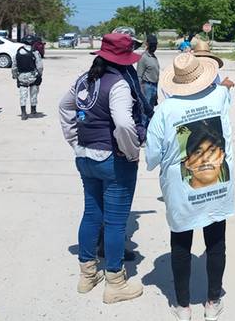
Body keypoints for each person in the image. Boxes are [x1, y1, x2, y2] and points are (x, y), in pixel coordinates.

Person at [146, 53, 235, 321]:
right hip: (218, 183)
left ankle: (183, 307)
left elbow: (151, 157)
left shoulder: (164, 110)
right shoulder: (220, 97)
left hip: (182, 189)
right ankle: (212, 301)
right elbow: (226, 89)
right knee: (216, 242)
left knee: (181, 244)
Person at [59, 32, 146, 304]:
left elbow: (64, 108)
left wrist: (75, 140)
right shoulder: (118, 84)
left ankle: (87, 276)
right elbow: (123, 123)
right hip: (112, 159)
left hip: (85, 157)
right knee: (116, 222)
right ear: (122, 60)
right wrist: (131, 152)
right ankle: (115, 282)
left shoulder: (84, 80)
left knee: (92, 213)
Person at [12, 43, 43, 120]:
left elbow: (14, 66)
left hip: (22, 76)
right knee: (34, 93)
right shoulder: (35, 52)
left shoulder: (18, 52)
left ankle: (23, 113)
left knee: (23, 94)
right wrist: (40, 75)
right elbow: (39, 66)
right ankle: (33, 110)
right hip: (33, 75)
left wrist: (15, 76)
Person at [137, 34, 160, 127]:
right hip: (146, 87)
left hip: (154, 86)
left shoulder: (153, 57)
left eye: (155, 45)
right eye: (152, 45)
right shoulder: (143, 58)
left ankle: (148, 130)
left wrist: (157, 93)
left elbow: (156, 74)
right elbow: (139, 76)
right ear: (147, 44)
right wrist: (140, 94)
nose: (154, 47)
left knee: (151, 110)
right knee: (145, 111)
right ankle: (142, 130)